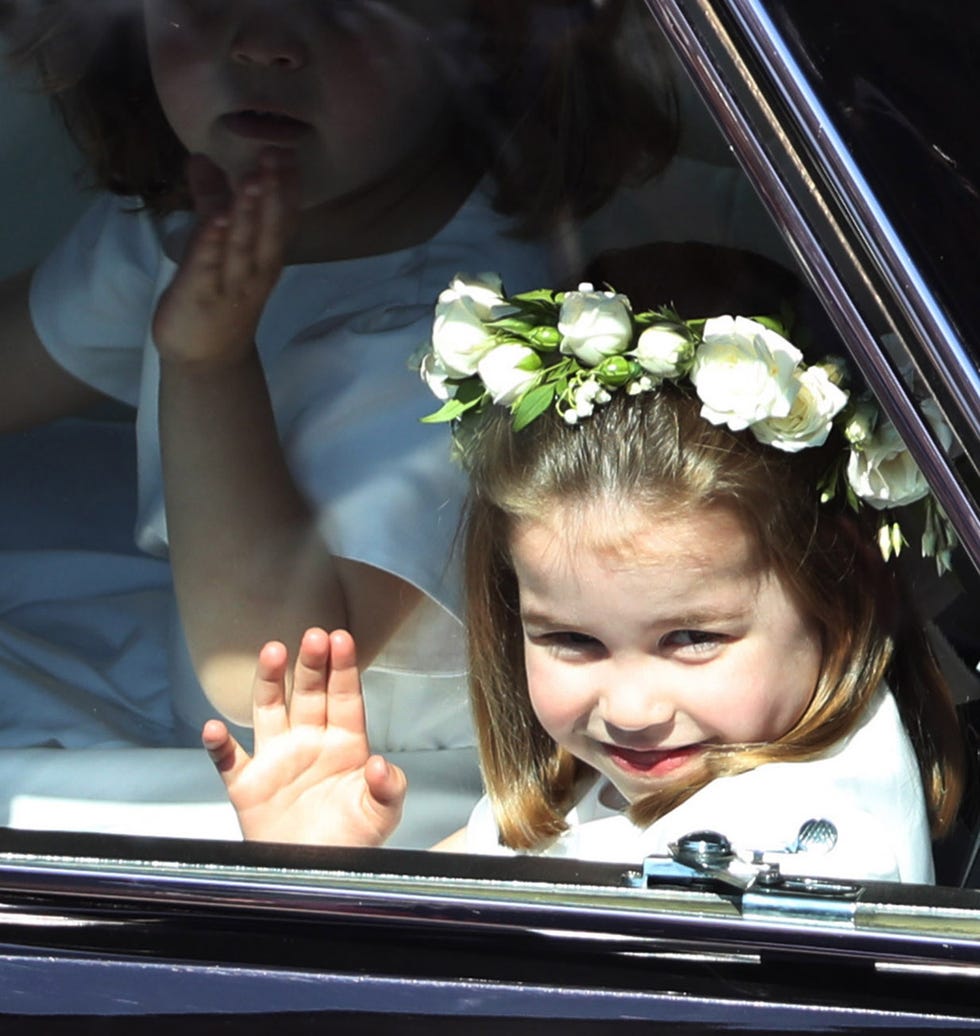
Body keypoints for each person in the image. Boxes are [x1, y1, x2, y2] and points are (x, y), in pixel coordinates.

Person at [0, 0, 677, 843]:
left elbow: (271, 668)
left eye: (340, 5)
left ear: (484, 43)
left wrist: (208, 362)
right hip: (210, 734)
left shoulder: (477, 336)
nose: (260, 42)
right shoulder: (200, 219)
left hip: (365, 804)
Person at [202, 277, 966, 881]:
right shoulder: (661, 775)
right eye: (572, 639)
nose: (630, 710)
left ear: (841, 585)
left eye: (692, 638)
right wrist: (318, 871)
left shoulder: (769, 854)